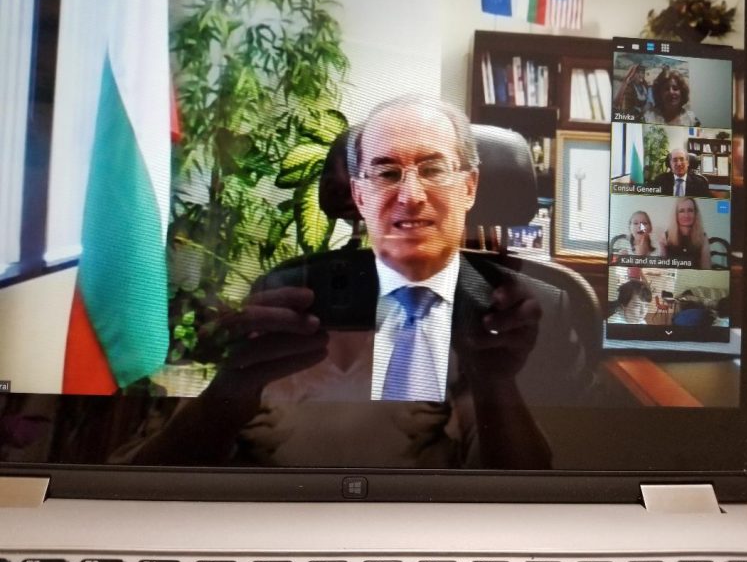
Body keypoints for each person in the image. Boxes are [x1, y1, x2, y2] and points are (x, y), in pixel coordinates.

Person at [115, 96, 590, 469]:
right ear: (358, 195)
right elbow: (156, 476)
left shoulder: (535, 309)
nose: (410, 195)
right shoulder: (290, 293)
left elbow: (562, 488)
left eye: (433, 169)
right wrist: (232, 389)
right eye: (385, 173)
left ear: (469, 187)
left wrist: (496, 384)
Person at [659, 197, 712, 269]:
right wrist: (662, 247)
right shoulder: (666, 236)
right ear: (676, 215)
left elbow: (706, 268)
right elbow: (662, 268)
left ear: (695, 213)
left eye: (690, 210)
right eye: (681, 211)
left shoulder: (703, 238)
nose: (686, 215)